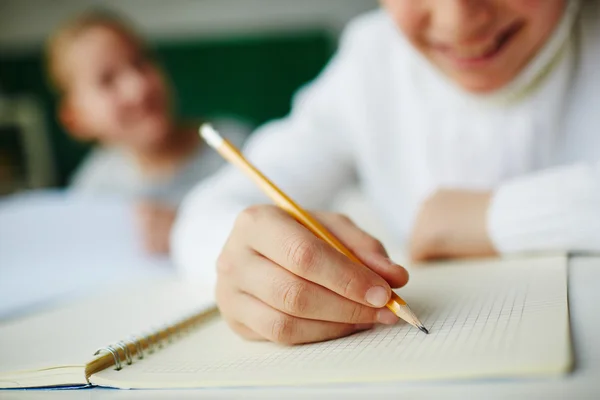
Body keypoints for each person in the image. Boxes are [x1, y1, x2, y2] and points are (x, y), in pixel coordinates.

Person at [172, 0, 600, 345]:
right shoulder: (370, 61)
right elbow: (203, 217)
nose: (457, 21)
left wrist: (489, 218)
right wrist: (253, 256)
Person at [45, 10, 247, 254]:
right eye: (107, 80)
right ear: (75, 119)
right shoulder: (92, 191)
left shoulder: (236, 147)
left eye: (140, 62)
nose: (138, 87)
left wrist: (186, 229)